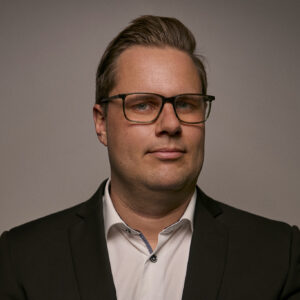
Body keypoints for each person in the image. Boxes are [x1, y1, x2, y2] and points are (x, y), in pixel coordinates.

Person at [0, 15, 299, 300]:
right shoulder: (19, 258)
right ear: (101, 123)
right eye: (143, 105)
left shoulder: (280, 256)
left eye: (186, 104)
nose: (171, 124)